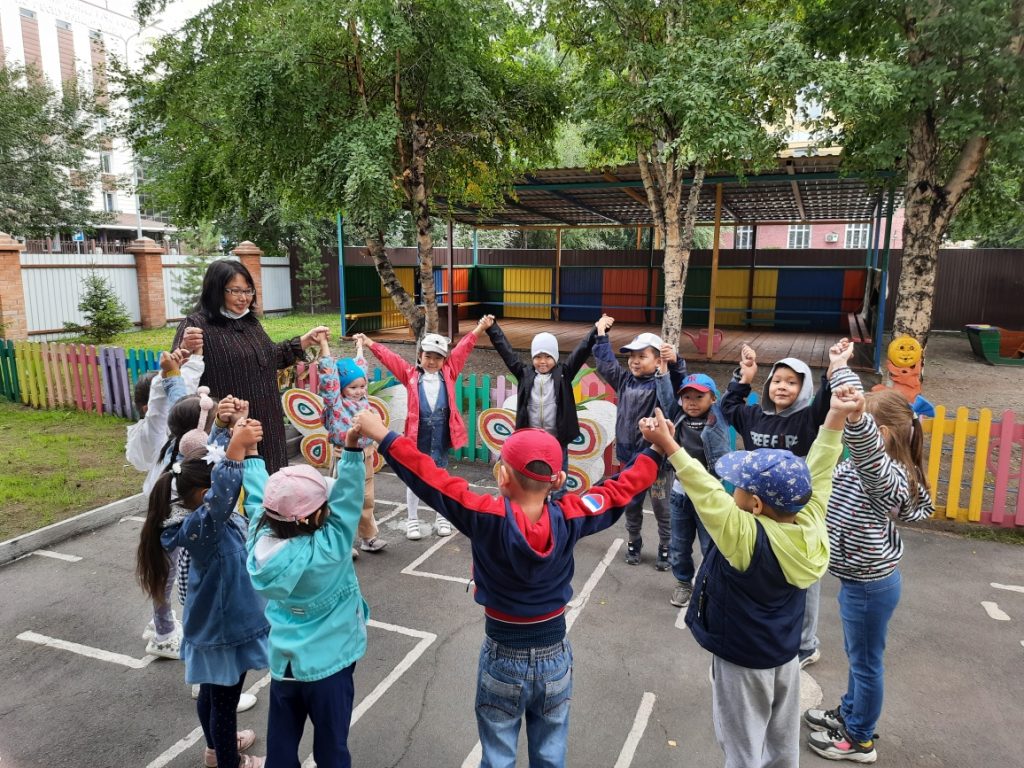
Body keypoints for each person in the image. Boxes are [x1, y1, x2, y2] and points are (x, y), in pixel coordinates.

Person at [351, 407, 661, 768]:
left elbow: (431, 480)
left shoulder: (484, 516)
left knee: (498, 755)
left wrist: (385, 435)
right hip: (555, 654)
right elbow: (619, 489)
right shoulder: (572, 516)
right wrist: (655, 450)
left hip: (503, 655)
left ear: (502, 476)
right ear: (558, 479)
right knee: (550, 753)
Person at [639, 390, 856, 768]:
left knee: (742, 750)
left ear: (755, 504)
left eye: (737, 485)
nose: (729, 488)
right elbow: (820, 469)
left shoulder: (745, 537)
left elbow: (706, 492)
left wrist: (670, 446)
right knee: (782, 745)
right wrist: (835, 416)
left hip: (741, 661)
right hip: (784, 656)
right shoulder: (809, 521)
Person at [804, 388, 934, 763]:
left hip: (869, 585)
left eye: (857, 426)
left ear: (881, 434)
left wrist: (857, 419)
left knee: (865, 664)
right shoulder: (871, 469)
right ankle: (850, 712)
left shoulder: (884, 475)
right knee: (858, 657)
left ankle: (860, 738)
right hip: (860, 581)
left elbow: (868, 454)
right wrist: (839, 371)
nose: (849, 431)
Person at [720, 338, 859, 668]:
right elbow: (728, 408)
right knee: (763, 571)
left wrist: (835, 366)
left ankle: (806, 644)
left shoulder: (808, 419)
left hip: (795, 512)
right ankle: (766, 631)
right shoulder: (754, 416)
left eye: (792, 382)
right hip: (758, 511)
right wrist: (745, 376)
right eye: (777, 381)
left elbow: (827, 404)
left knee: (802, 579)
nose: (782, 387)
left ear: (804, 388)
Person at [139, 419, 269, 768]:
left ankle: (215, 749)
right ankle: (229, 761)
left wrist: (224, 429)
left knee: (212, 694)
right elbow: (222, 489)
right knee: (223, 702)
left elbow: (209, 471)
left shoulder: (203, 516)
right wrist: (237, 451)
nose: (231, 493)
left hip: (218, 624)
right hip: (225, 631)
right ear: (204, 496)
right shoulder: (205, 525)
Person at [244, 421, 370, 768]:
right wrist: (352, 449)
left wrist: (252, 456)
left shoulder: (258, 538)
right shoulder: (330, 547)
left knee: (282, 742)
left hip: (284, 662)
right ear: (311, 517)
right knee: (331, 746)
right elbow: (349, 501)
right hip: (330, 665)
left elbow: (256, 500)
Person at [172, 258, 328, 474]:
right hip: (230, 426)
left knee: (272, 477)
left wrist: (305, 341)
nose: (243, 298)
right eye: (235, 291)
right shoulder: (196, 326)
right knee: (238, 481)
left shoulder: (249, 322)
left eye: (248, 291)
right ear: (216, 290)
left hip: (267, 421)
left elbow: (269, 358)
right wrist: (184, 350)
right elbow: (177, 379)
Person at [354, 315, 493, 540]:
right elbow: (390, 358)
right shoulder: (410, 375)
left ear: (444, 360)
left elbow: (463, 348)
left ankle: (442, 517)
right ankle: (412, 519)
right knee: (415, 477)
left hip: (441, 435)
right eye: (428, 356)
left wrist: (480, 328)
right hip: (418, 436)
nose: (432, 362)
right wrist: (370, 342)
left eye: (438, 358)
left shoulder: (449, 373)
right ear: (420, 356)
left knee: (441, 476)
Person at [127, 346, 203, 659]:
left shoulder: (177, 437)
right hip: (172, 516)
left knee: (166, 571)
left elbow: (180, 401)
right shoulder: (184, 444)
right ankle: (164, 633)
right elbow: (167, 406)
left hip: (168, 512)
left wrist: (191, 362)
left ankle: (162, 624)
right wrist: (168, 377)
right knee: (169, 574)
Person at [593, 315, 685, 569]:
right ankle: (634, 540)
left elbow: (678, 384)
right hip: (629, 458)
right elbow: (607, 365)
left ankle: (666, 545)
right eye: (632, 356)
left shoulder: (663, 383)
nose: (634, 361)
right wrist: (601, 335)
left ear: (658, 361)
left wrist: (676, 362)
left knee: (662, 507)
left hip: (657, 460)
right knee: (631, 504)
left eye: (642, 356)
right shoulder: (624, 381)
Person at [484, 319, 599, 497]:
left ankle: (558, 507)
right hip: (531, 440)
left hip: (557, 440)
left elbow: (582, 349)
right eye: (538, 357)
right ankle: (535, 504)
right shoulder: (524, 374)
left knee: (559, 479)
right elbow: (506, 351)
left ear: (555, 357)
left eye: (548, 357)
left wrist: (597, 329)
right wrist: (492, 328)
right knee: (532, 478)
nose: (542, 361)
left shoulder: (564, 373)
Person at [655, 367, 729, 608]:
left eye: (699, 396)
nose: (692, 402)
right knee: (679, 544)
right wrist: (662, 374)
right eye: (687, 397)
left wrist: (742, 376)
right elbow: (666, 397)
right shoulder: (678, 416)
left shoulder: (718, 417)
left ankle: (709, 584)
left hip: (709, 496)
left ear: (713, 399)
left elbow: (733, 395)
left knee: (710, 545)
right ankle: (683, 583)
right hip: (681, 494)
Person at [317, 332, 387, 555]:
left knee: (366, 497)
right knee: (341, 498)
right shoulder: (336, 403)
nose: (359, 392)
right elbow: (329, 377)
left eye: (362, 386)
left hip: (366, 453)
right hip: (344, 455)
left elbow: (360, 367)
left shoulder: (363, 399)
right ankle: (342, 542)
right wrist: (324, 345)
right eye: (353, 388)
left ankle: (368, 537)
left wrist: (359, 346)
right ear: (341, 388)